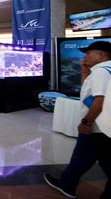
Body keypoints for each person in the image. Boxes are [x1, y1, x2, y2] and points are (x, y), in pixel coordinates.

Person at [44, 41, 111, 199]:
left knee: (82, 157)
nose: (85, 56)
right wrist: (85, 72)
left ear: (101, 55)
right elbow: (88, 92)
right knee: (92, 158)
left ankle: (67, 185)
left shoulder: (101, 72)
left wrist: (86, 123)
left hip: (96, 126)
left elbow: (98, 100)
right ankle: (67, 183)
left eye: (89, 53)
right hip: (105, 127)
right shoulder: (104, 70)